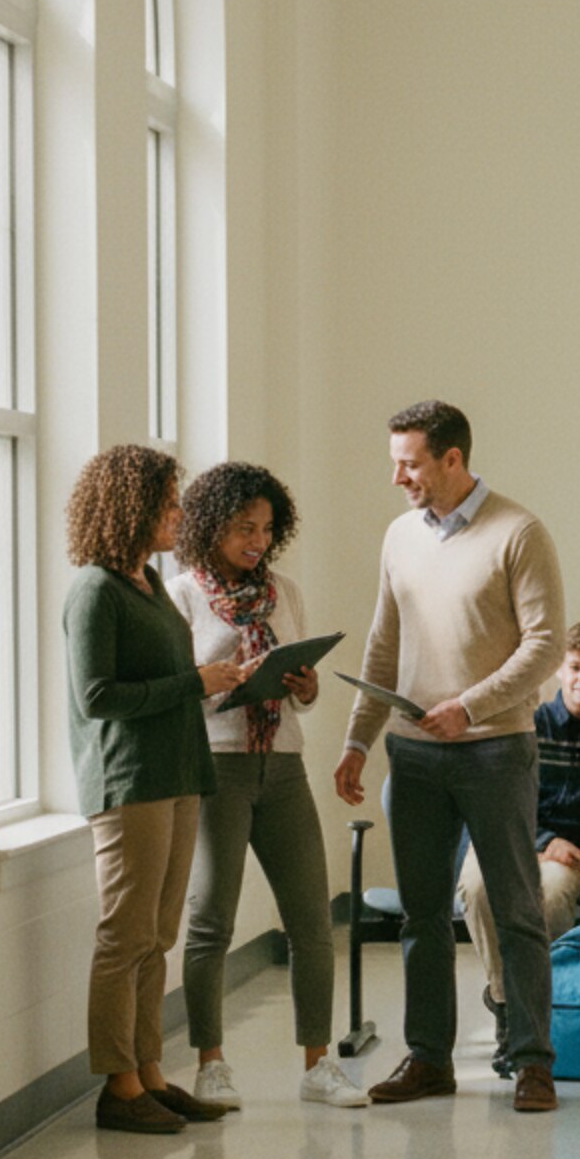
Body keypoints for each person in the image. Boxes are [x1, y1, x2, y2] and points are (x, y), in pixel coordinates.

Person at [334, 401, 566, 1113]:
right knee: (422, 916)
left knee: (516, 909)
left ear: (453, 460)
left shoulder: (518, 532)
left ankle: (531, 1062)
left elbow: (545, 646)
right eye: (395, 462)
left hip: (496, 752)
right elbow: (383, 644)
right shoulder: (400, 536)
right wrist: (356, 740)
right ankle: (429, 1059)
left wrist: (469, 707)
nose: (399, 477)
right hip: (415, 760)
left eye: (410, 463)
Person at [63, 444, 253, 1135]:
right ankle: (118, 1085)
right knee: (126, 934)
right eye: (170, 502)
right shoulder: (94, 591)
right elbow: (97, 696)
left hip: (177, 774)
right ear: (133, 507)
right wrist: (191, 683)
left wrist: (218, 679)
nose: (180, 514)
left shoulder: (145, 580)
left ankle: (148, 1071)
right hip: (129, 779)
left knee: (158, 934)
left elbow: (171, 680)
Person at [170, 462, 369, 1111]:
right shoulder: (181, 596)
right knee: (210, 923)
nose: (257, 540)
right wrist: (223, 676)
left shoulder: (283, 590)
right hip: (216, 768)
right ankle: (211, 1064)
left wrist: (304, 688)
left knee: (311, 920)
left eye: (265, 528)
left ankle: (318, 1064)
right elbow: (176, 695)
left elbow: (300, 686)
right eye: (242, 529)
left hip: (282, 766)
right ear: (209, 527)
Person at [459, 622, 580, 1049]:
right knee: (477, 889)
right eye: (576, 667)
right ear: (558, 671)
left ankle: (544, 1009)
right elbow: (500, 795)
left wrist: (565, 847)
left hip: (567, 855)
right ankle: (505, 1001)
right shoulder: (527, 723)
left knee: (548, 900)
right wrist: (544, 839)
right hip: (506, 834)